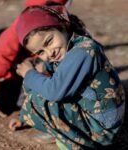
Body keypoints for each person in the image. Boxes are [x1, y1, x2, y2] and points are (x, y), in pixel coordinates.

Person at [14, 4, 125, 150]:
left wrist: (29, 73)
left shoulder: (83, 51)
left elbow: (54, 91)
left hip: (103, 130)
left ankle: (73, 140)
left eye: (49, 41)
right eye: (40, 52)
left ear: (62, 27)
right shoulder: (73, 46)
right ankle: (60, 130)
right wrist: (26, 116)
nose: (49, 53)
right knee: (41, 79)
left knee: (41, 95)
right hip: (103, 121)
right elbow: (51, 71)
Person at [0, 0, 71, 122]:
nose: (50, 52)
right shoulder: (18, 29)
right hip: (17, 76)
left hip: (38, 76)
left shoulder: (67, 25)